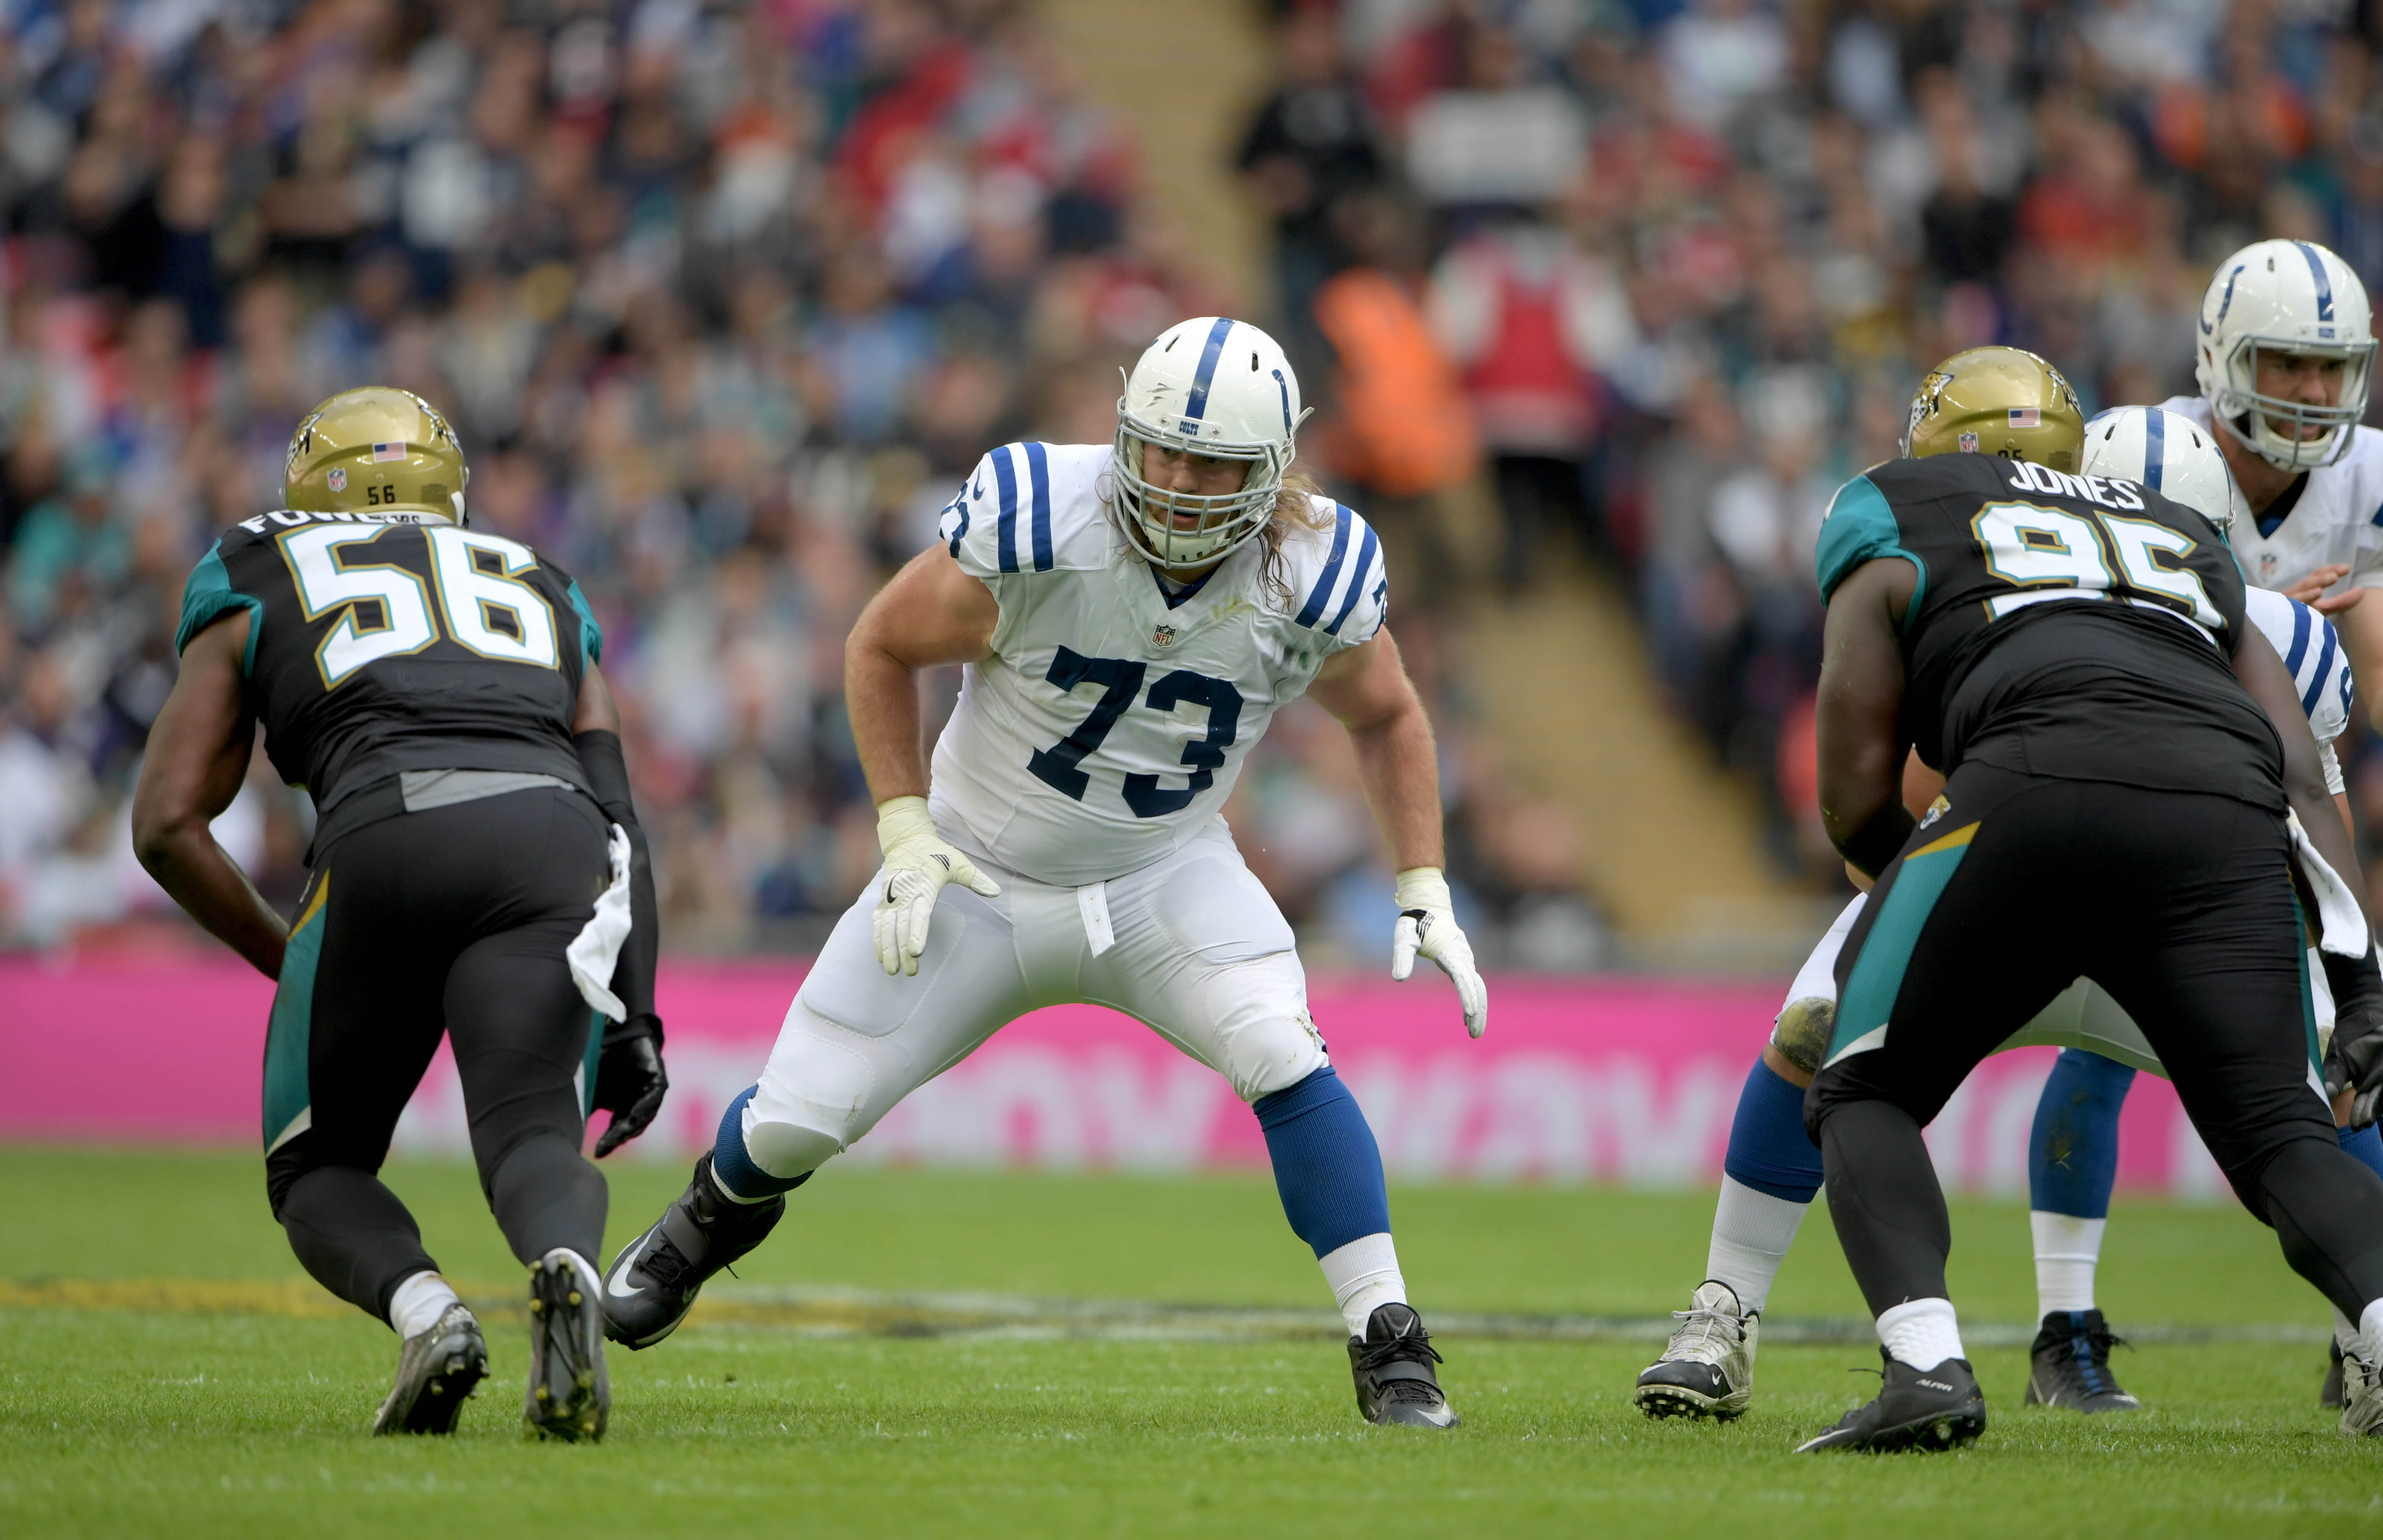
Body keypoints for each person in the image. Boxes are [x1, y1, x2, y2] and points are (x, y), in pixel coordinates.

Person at [598, 316, 1488, 1429]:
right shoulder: (1040, 520)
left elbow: (1391, 712)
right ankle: (696, 1226)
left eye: (1211, 463)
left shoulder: (1314, 573)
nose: (1175, 481)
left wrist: (1423, 880)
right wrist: (905, 828)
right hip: (973, 875)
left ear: (1273, 472)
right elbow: (880, 641)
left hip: (1164, 873)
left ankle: (1390, 1340)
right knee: (798, 1121)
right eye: (1159, 448)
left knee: (1281, 1048)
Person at [1634, 398, 2383, 1424]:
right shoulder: (2230, 590)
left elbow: (1876, 796)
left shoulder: (1913, 516)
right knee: (2297, 1121)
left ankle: (1840, 1341)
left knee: (1836, 1049)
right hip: (2207, 859)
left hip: (2018, 834)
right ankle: (2372, 1338)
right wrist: (2358, 981)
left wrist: (1924, 917)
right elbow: (2307, 791)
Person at [130, 387, 669, 1442]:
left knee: (319, 1168)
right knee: (533, 1138)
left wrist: (291, 958)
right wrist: (637, 1013)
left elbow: (167, 824)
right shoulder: (540, 579)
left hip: (383, 831)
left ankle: (432, 1316)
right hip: (550, 837)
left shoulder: (252, 562)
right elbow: (620, 812)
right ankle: (563, 1269)